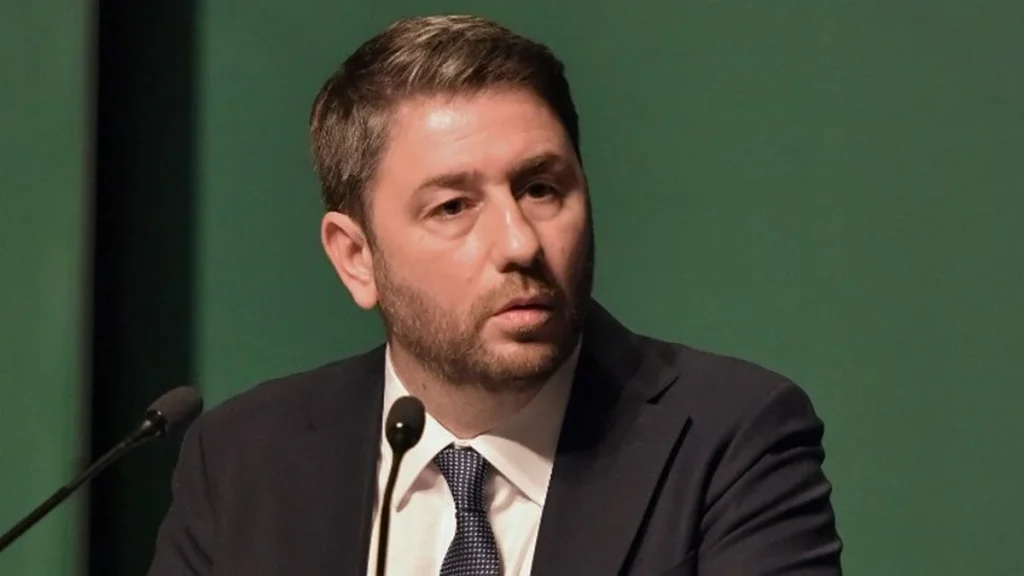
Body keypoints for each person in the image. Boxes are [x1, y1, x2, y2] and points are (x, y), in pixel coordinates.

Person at [148, 14, 842, 576]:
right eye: (453, 206)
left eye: (541, 189)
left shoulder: (729, 438)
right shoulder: (244, 460)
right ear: (356, 258)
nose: (519, 242)